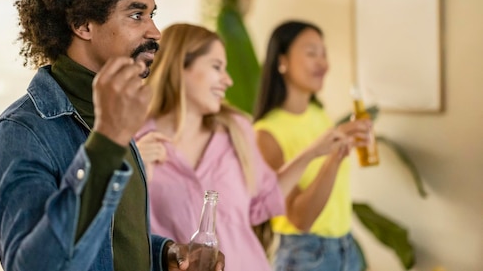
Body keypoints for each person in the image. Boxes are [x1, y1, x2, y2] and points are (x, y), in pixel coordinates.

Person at [0, 0, 224, 271]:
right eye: (136, 15)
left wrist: (166, 255)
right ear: (83, 24)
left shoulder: (112, 114)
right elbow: (33, 265)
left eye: (152, 14)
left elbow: (110, 240)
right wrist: (107, 141)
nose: (156, 32)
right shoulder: (22, 132)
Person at [135, 23, 356, 271]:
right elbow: (122, 238)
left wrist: (313, 153)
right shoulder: (134, 141)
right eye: (217, 67)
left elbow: (262, 202)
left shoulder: (236, 129)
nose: (227, 80)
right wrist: (136, 172)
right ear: (180, 67)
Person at [253, 20, 372, 271]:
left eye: (324, 53)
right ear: (282, 61)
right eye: (311, 53)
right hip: (307, 256)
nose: (323, 63)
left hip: (346, 249)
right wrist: (336, 156)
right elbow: (300, 218)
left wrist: (348, 145)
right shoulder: (266, 133)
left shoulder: (319, 115)